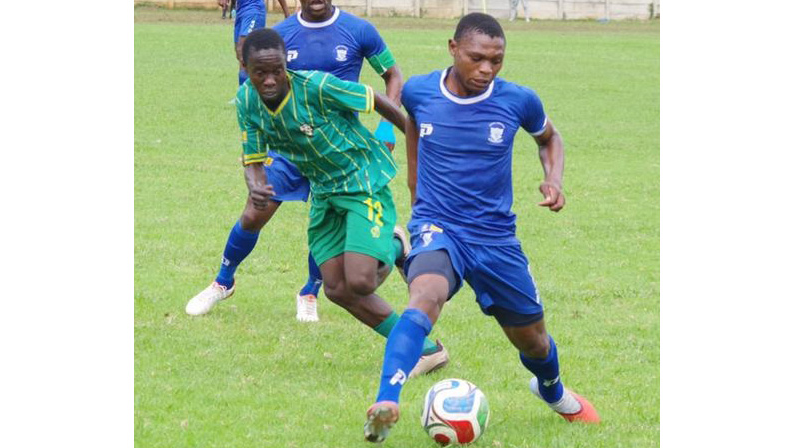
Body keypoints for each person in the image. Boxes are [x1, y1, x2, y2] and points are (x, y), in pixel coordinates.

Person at [363, 13, 600, 443]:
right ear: (453, 49)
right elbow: (414, 123)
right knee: (426, 296)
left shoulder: (517, 100)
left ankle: (553, 391)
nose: (487, 69)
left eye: (497, 60)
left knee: (535, 342)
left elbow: (549, 137)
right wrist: (417, 193)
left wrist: (554, 179)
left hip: (495, 238)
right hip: (440, 227)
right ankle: (386, 400)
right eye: (477, 58)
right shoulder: (419, 90)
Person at [229, 28, 449, 378]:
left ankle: (395, 245)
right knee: (335, 289)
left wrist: (415, 138)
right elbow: (253, 158)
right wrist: (256, 186)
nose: (270, 80)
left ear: (287, 64)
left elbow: (375, 99)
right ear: (244, 66)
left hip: (362, 180)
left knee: (361, 282)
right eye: (260, 73)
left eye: (277, 71)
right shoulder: (246, 102)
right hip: (324, 190)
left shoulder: (316, 86)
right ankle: (425, 349)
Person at [188, 0, 407, 324]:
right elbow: (256, 93)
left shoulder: (359, 29)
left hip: (338, 148)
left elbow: (392, 75)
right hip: (289, 146)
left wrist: (387, 129)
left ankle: (309, 292)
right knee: (255, 210)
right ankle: (223, 281)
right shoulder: (278, 36)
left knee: (334, 225)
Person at [218, 0, 290, 87]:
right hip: (241, 10)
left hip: (254, 9)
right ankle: (250, 90)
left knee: (243, 52)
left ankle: (246, 93)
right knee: (240, 54)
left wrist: (287, 14)